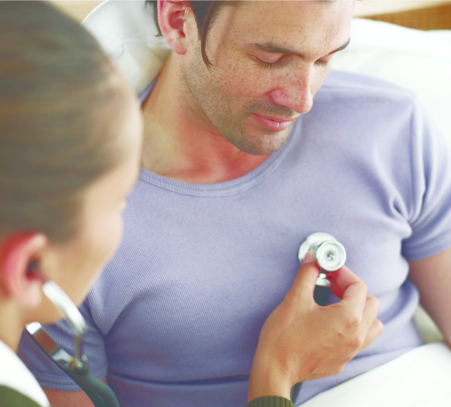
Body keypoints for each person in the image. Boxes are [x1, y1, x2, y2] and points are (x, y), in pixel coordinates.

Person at [18, 0, 451, 406]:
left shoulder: (391, 129)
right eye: (271, 58)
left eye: (324, 59)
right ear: (178, 23)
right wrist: (279, 371)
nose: (302, 99)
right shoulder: (74, 218)